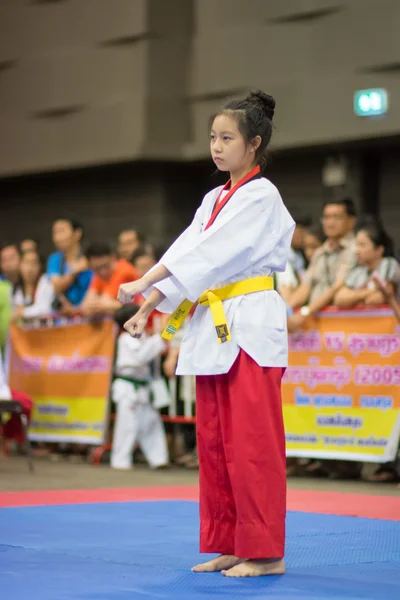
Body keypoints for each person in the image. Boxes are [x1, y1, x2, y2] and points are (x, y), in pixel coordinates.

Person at [118, 90, 295, 578]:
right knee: (216, 443)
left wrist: (144, 280)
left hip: (251, 323)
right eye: (213, 138)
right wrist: (147, 306)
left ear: (254, 143)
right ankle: (231, 542)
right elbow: (189, 250)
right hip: (214, 323)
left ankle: (267, 552)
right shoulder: (213, 197)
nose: (216, 147)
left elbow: (209, 256)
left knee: (252, 444)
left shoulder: (262, 195)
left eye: (227, 138)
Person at [111, 304, 169, 470]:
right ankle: (120, 461)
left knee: (151, 422)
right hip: (128, 387)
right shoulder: (126, 338)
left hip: (144, 386)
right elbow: (141, 357)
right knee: (127, 426)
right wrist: (159, 338)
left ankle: (159, 459)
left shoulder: (142, 336)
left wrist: (159, 337)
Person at [288, 198, 357, 329]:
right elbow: (306, 286)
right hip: (318, 328)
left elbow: (336, 287)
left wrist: (305, 312)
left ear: (351, 221)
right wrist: (287, 309)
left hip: (346, 327)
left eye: (337, 217)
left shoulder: (356, 250)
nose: (330, 223)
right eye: (326, 217)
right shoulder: (320, 252)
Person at [334, 218, 400, 308]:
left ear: (379, 250)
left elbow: (375, 300)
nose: (357, 250)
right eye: (356, 245)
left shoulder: (388, 264)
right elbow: (339, 299)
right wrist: (369, 292)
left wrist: (353, 297)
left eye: (362, 245)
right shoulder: (358, 270)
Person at [80, 242, 137, 318]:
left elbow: (105, 302)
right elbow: (86, 307)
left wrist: (100, 306)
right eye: (97, 268)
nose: (103, 272)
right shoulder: (98, 276)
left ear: (113, 258)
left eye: (105, 266)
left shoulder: (124, 271)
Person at [47, 218, 92, 311]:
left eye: (61, 231)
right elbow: (57, 288)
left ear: (77, 233)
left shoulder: (89, 257)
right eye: (54, 233)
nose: (56, 238)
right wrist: (74, 271)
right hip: (63, 314)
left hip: (88, 311)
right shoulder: (54, 259)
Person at [12, 250, 55, 320]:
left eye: (34, 264)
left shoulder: (46, 281)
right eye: (26, 263)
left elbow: (45, 309)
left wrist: (24, 312)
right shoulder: (15, 287)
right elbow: (16, 313)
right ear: (20, 265)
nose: (30, 268)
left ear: (40, 266)